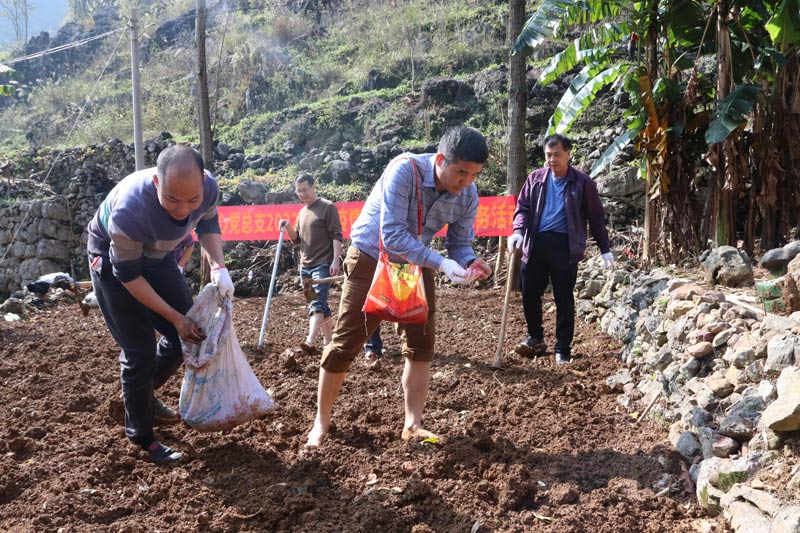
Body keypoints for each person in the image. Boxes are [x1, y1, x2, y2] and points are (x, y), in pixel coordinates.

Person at [306, 125, 492, 447]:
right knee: (347, 342)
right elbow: (391, 236)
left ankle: (413, 424)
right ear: (440, 160)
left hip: (416, 262)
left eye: (474, 176)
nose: (466, 184)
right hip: (371, 256)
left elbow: (460, 242)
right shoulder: (403, 170)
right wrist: (443, 263)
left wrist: (469, 262)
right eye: (461, 173)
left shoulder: (468, 195)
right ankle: (321, 424)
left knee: (421, 345)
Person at [86, 145, 234, 463]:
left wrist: (219, 266)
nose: (182, 210)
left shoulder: (208, 188)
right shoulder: (130, 210)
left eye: (191, 199)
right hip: (115, 264)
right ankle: (143, 439)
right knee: (139, 351)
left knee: (191, 330)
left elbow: (208, 223)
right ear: (157, 183)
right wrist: (173, 318)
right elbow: (129, 277)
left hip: (157, 255)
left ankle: (141, 394)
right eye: (172, 199)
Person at [508, 134, 613, 365]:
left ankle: (563, 347)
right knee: (529, 293)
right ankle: (535, 337)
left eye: (557, 154)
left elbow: (595, 217)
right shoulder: (535, 178)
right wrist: (518, 230)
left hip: (565, 246)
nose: (552, 160)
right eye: (548, 155)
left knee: (563, 297)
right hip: (535, 243)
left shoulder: (582, 182)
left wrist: (605, 248)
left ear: (568, 153)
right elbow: (523, 207)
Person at [279, 174, 343, 354]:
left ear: (313, 187)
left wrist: (335, 260)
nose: (302, 194)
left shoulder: (327, 207)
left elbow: (337, 235)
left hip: (322, 264)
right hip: (305, 266)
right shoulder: (302, 212)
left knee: (316, 305)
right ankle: (329, 342)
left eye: (305, 190)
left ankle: (309, 340)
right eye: (298, 191)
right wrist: (287, 226)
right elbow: (297, 240)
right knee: (319, 304)